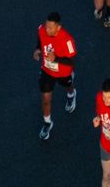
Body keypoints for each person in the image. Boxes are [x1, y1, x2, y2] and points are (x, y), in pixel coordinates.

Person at [35, 12, 79, 140]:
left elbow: (72, 61)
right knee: (45, 98)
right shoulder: (42, 30)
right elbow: (40, 38)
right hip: (47, 71)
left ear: (58, 27)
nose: (46, 29)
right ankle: (47, 122)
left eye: (50, 27)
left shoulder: (67, 40)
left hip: (63, 72)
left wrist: (56, 58)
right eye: (46, 26)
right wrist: (37, 49)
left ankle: (71, 94)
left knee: (68, 85)